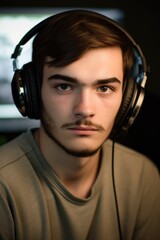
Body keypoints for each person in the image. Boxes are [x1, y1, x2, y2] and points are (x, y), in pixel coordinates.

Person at [0, 9, 159, 240]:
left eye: (104, 88)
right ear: (32, 92)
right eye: (64, 86)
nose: (85, 109)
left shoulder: (142, 177)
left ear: (128, 100)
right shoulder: (3, 184)